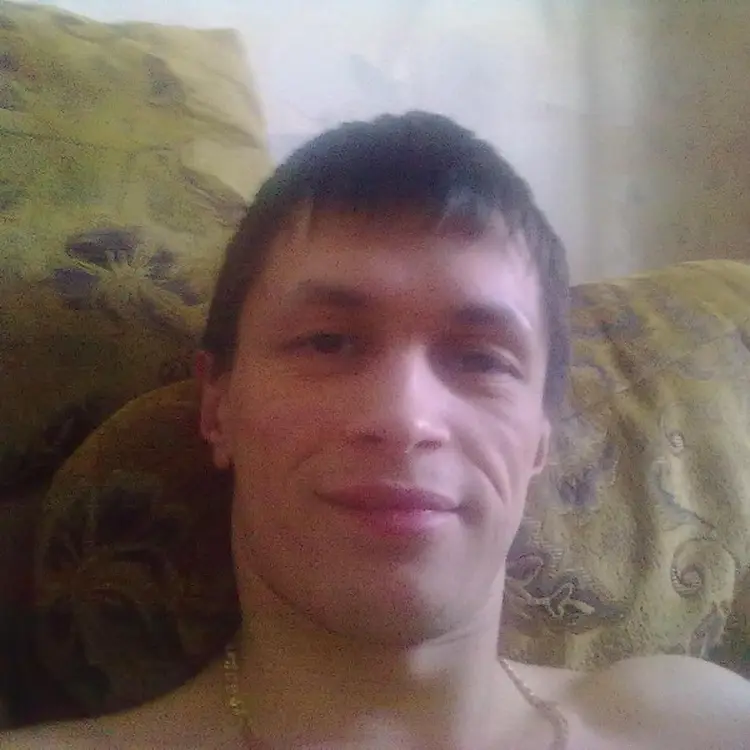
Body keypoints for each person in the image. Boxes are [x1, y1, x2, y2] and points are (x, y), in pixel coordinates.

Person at [5, 112, 750, 749]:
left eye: (480, 359)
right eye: (327, 342)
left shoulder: (696, 721)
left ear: (540, 443)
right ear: (217, 408)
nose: (404, 419)